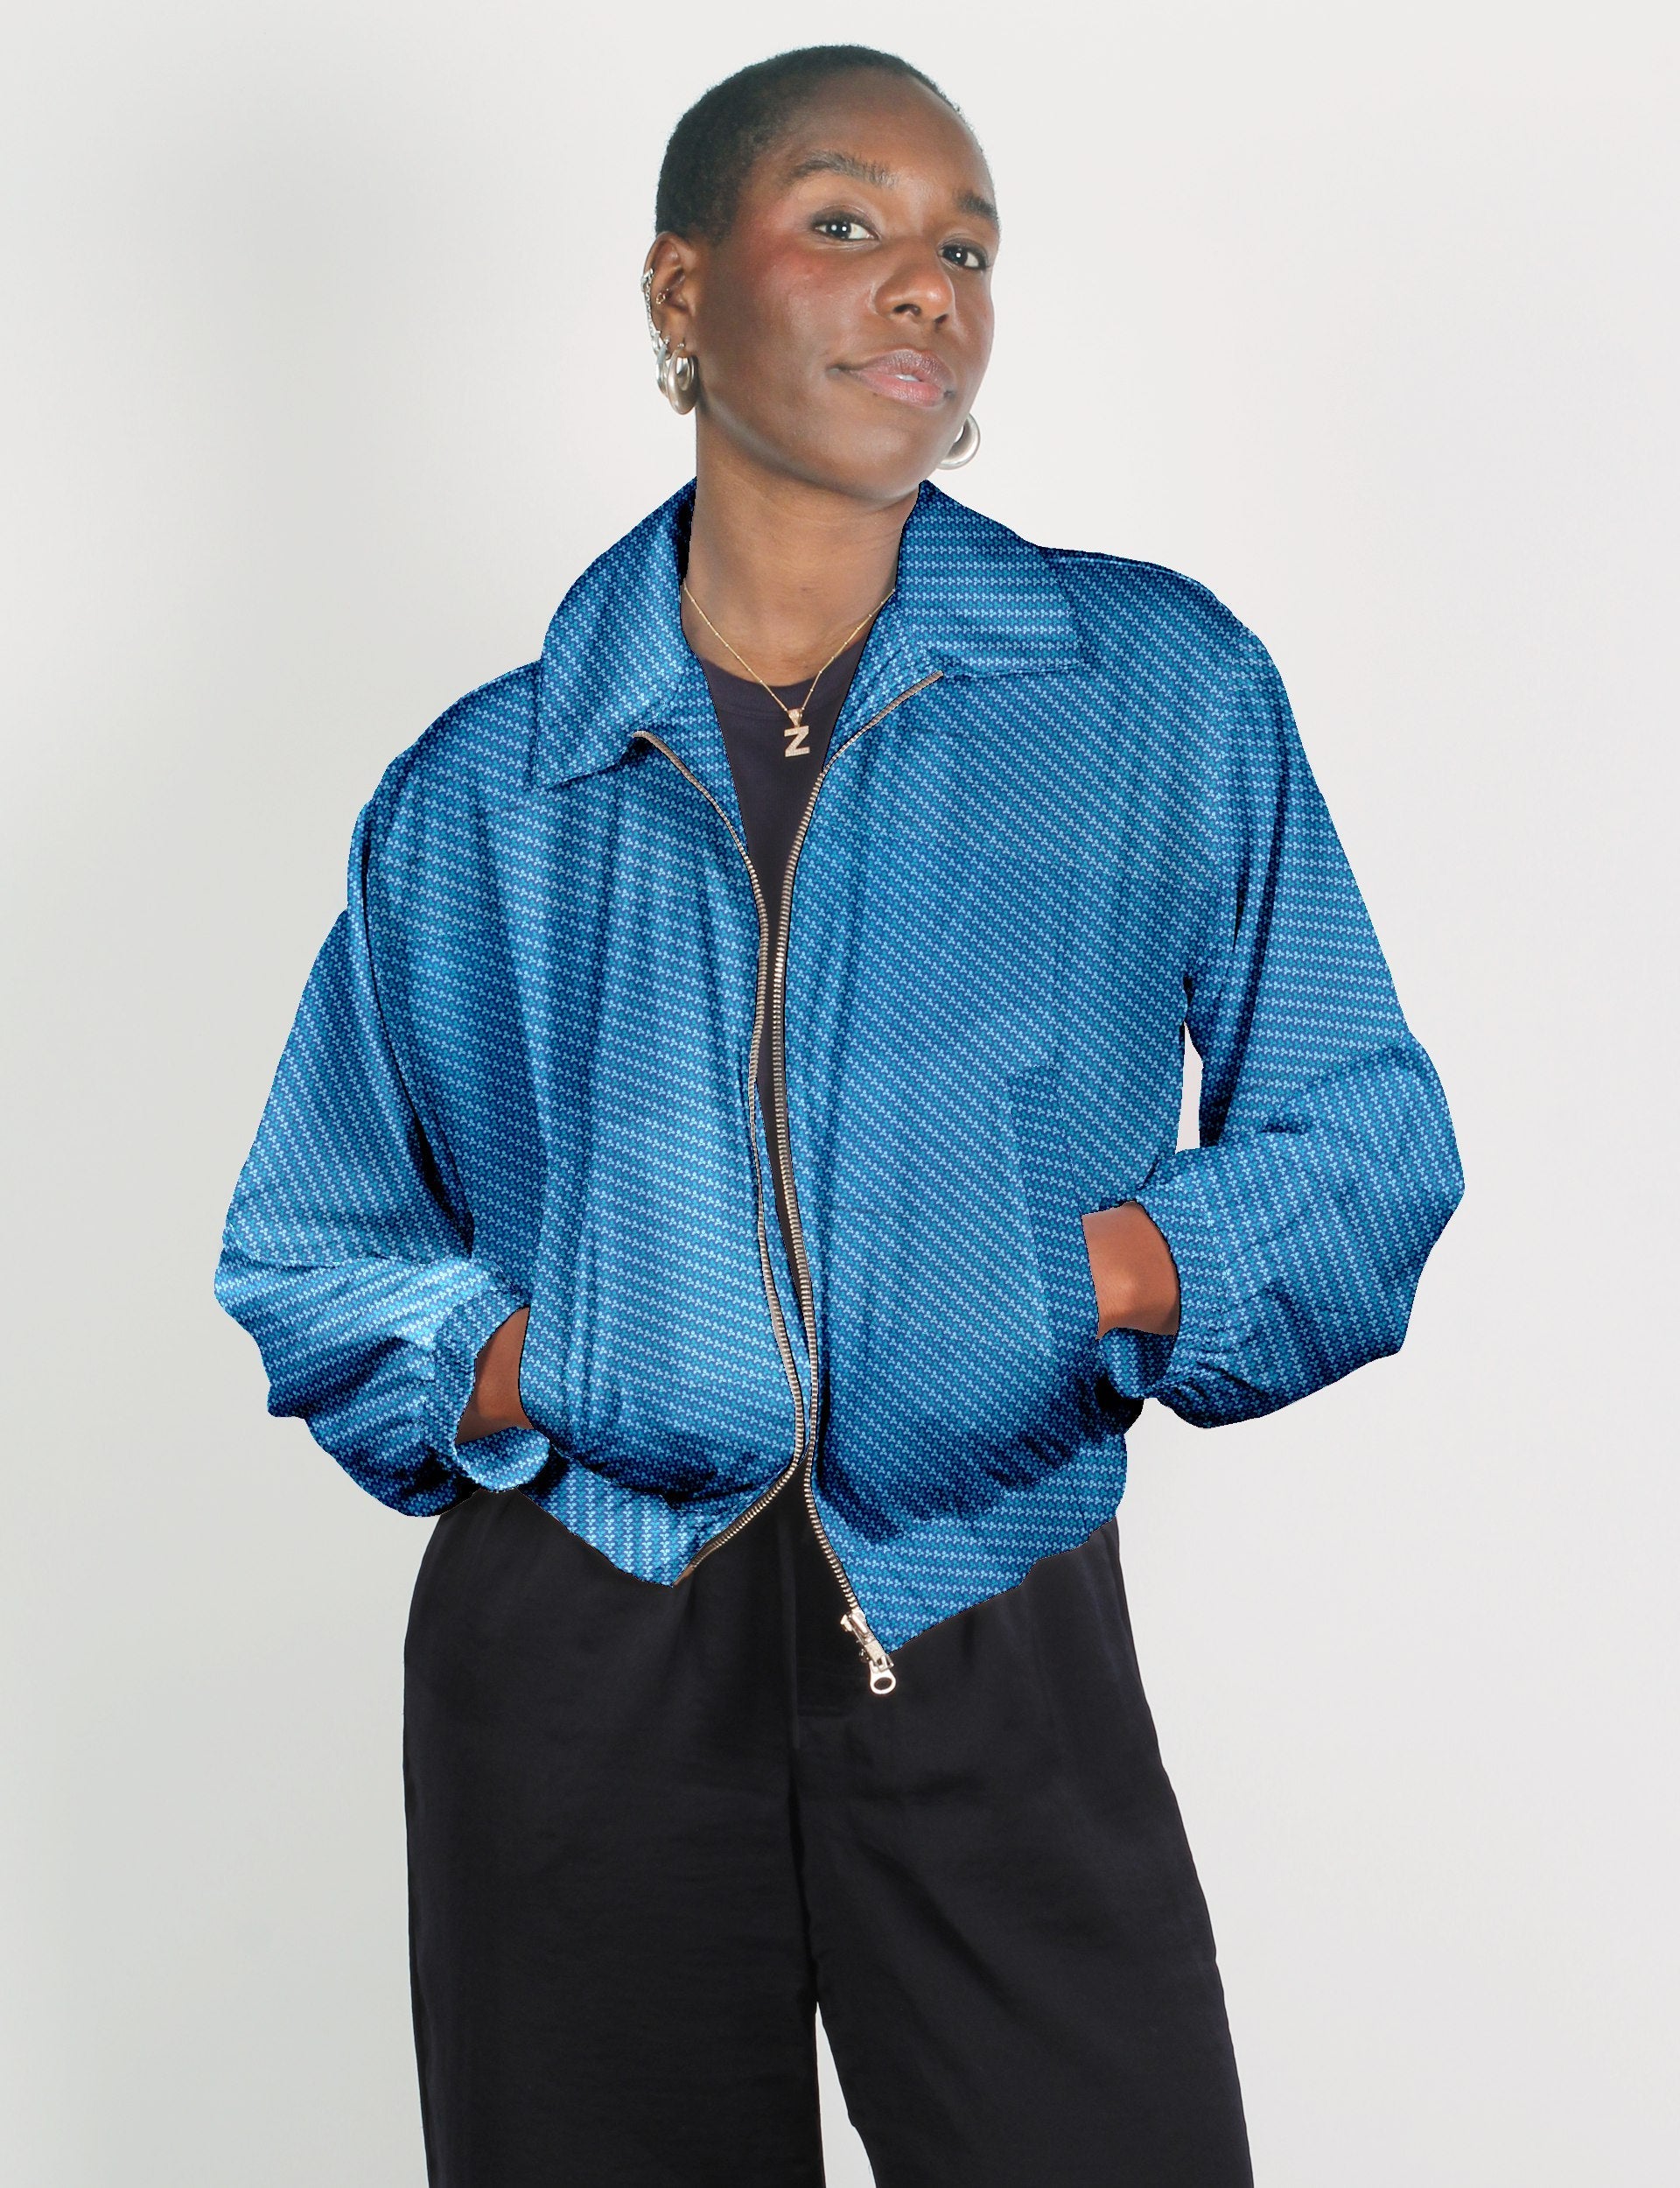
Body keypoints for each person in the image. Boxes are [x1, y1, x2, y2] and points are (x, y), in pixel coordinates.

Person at [214, 43, 1464, 2188]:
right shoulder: (484, 788)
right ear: (680, 292)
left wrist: (1091, 1271)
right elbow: (310, 1245)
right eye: (848, 223)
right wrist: (544, 1360)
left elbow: (1365, 1141)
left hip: (989, 1619)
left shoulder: (1150, 690)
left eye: (967, 248)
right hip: (581, 1661)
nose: (926, 288)